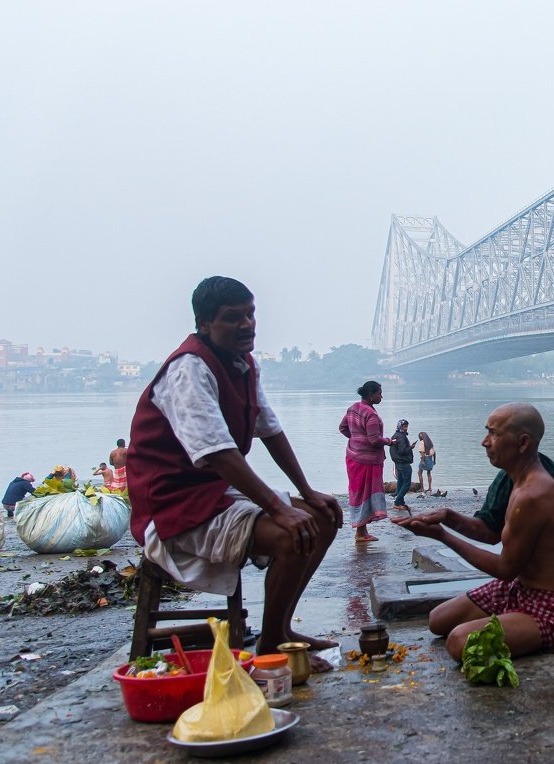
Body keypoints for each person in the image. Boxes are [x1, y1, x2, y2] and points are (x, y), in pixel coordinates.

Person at [127, 276, 343, 667]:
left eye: (250, 314)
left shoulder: (242, 365)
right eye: (233, 318)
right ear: (204, 324)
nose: (247, 325)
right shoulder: (189, 369)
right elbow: (218, 454)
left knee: (323, 518)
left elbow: (270, 429)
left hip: (210, 495)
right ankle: (273, 645)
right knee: (290, 533)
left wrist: (307, 491)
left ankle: (280, 629)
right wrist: (280, 510)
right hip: (173, 508)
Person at [392, 403, 554, 661]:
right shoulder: (515, 479)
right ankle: (512, 622)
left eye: (494, 434)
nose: (485, 442)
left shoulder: (533, 494)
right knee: (437, 620)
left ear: (523, 443)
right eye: (487, 432)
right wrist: (448, 517)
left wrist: (442, 535)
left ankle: (529, 629)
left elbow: (505, 569)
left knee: (458, 642)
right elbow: (492, 533)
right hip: (521, 590)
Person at [339, 380, 393, 543]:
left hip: (352, 456)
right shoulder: (371, 415)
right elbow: (374, 440)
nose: (381, 397)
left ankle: (362, 530)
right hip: (367, 460)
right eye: (379, 393)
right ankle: (360, 533)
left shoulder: (353, 408)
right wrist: (389, 442)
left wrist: (355, 439)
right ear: (371, 395)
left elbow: (342, 428)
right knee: (366, 493)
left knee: (358, 492)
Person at [388, 419, 416, 511]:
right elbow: (402, 451)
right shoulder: (401, 437)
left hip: (398, 462)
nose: (406, 428)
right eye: (404, 426)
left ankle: (400, 502)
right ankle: (397, 502)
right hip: (403, 462)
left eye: (407, 426)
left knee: (400, 481)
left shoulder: (395, 435)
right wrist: (410, 447)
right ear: (400, 426)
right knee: (407, 483)